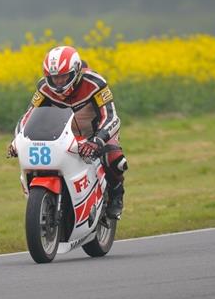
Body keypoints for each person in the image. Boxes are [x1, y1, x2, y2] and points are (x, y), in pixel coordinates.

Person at [7, 45, 128, 219]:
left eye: (64, 77)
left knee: (114, 159)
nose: (59, 83)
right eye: (54, 78)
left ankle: (117, 195)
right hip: (64, 136)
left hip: (97, 132)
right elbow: (28, 116)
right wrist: (17, 140)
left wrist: (98, 140)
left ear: (76, 71)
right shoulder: (43, 88)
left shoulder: (95, 83)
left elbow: (112, 118)